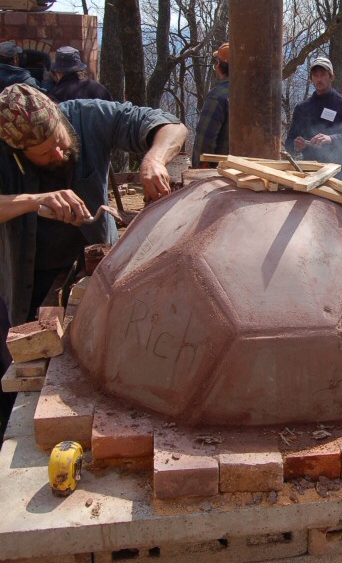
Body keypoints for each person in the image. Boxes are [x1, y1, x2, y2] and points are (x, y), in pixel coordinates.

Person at [0, 83, 188, 437]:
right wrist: (30, 200)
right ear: (18, 152)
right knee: (23, 366)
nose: (58, 152)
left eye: (58, 139)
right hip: (31, 273)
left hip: (100, 264)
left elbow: (172, 126)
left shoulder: (85, 116)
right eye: (43, 153)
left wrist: (154, 158)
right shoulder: (4, 148)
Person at [285, 56, 342, 170]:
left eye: (323, 75)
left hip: (336, 171)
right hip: (308, 169)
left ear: (331, 77)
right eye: (315, 75)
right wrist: (296, 145)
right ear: (311, 79)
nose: (319, 79)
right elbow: (289, 143)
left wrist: (332, 139)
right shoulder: (302, 108)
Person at [191, 43, 230, 168]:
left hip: (222, 177)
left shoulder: (218, 96)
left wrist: (201, 168)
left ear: (218, 66)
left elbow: (204, 141)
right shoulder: (256, 95)